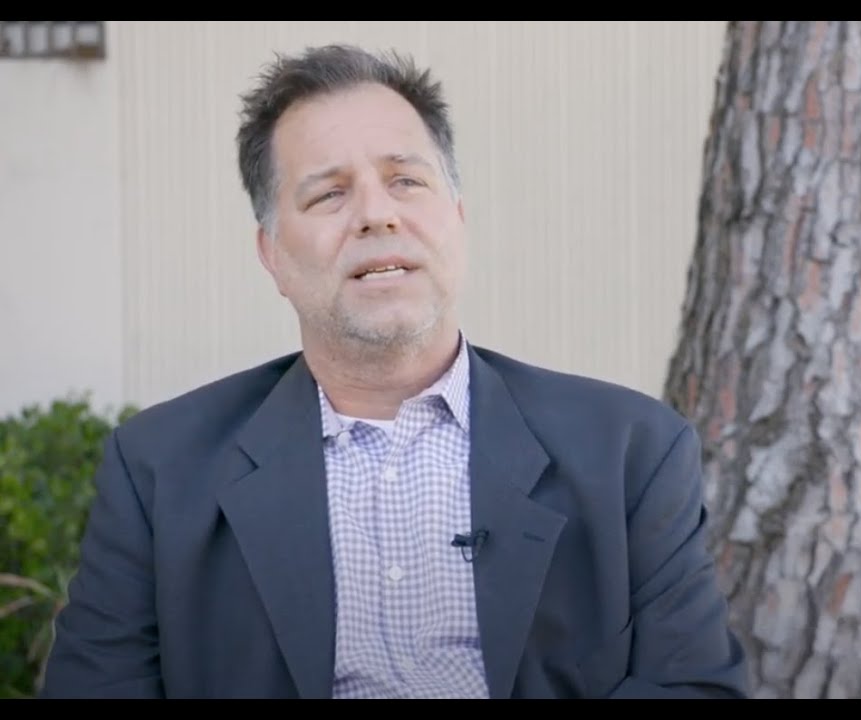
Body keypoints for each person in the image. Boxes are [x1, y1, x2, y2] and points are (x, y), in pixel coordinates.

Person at [40, 43, 748, 700]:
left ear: (457, 219)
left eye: (406, 180)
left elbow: (693, 686)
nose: (377, 215)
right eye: (328, 194)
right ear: (273, 254)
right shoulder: (160, 471)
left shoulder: (629, 453)